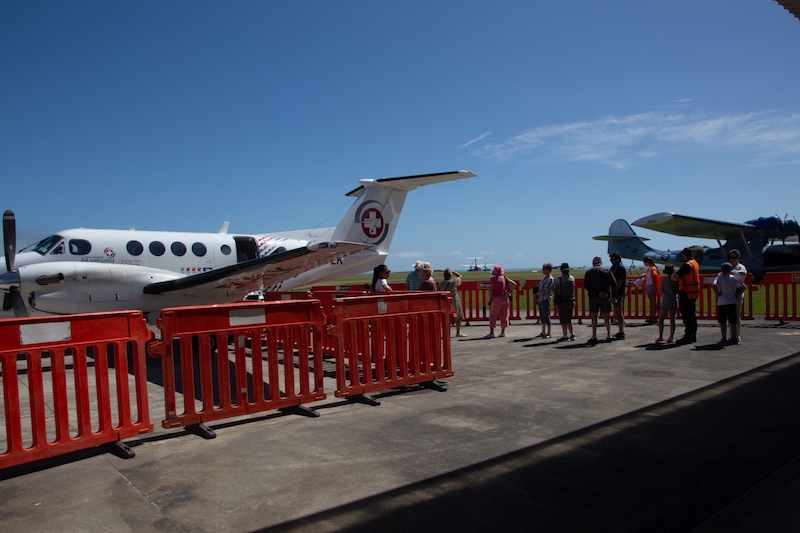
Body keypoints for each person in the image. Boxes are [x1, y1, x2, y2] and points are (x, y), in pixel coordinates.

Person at [583, 256, 617, 344]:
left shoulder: (589, 272)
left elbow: (586, 286)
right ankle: (608, 335)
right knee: (606, 316)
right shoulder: (607, 271)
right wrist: (613, 296)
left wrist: (597, 293)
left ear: (593, 263)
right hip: (605, 297)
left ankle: (594, 336)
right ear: (601, 262)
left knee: (594, 317)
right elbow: (614, 283)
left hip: (594, 297)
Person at [673, 247, 700, 344]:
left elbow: (676, 276)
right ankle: (693, 335)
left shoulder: (687, 265)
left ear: (684, 255)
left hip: (686, 292)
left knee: (687, 316)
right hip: (694, 292)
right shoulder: (695, 263)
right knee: (692, 315)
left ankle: (688, 335)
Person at [713, 262, 744, 344]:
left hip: (722, 301)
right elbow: (743, 287)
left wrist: (718, 294)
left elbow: (713, 285)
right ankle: (734, 337)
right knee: (733, 321)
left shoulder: (719, 278)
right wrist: (737, 295)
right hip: (732, 300)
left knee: (723, 321)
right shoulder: (733, 278)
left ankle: (724, 337)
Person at [485, 264, 516, 339]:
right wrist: (509, 290)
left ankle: (492, 332)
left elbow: (491, 290)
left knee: (493, 315)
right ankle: (502, 332)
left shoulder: (493, 279)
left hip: (496, 298)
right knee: (504, 315)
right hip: (505, 297)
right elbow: (514, 284)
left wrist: (490, 300)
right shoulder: (505, 278)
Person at [439, 268, 466, 337]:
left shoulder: (441, 284)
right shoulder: (453, 282)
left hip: (445, 301)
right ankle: (458, 332)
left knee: (447, 317)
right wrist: (454, 272)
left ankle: (448, 333)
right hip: (454, 300)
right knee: (458, 315)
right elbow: (460, 276)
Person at [553, 262, 576, 341]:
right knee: (569, 318)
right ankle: (572, 334)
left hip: (562, 301)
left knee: (563, 319)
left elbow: (553, 288)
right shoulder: (572, 278)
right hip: (571, 300)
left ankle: (565, 335)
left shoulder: (559, 279)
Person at [656, 264, 678, 343]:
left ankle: (661, 336)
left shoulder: (664, 280)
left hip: (665, 300)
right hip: (673, 300)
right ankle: (671, 337)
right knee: (672, 319)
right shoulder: (675, 281)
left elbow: (661, 290)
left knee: (661, 318)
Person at [634, 258, 660, 324]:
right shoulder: (650, 268)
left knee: (653, 303)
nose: (644, 264)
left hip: (651, 286)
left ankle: (653, 317)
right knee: (652, 302)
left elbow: (654, 278)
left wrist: (653, 288)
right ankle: (652, 316)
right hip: (649, 285)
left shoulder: (653, 269)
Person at [728, 249, 747, 332]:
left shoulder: (741, 267)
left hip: (738, 292)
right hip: (729, 292)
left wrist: (732, 272)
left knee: (737, 315)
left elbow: (742, 274)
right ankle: (732, 333)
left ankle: (737, 334)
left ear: (738, 258)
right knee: (730, 316)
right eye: (731, 257)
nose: (733, 259)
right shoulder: (728, 266)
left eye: (735, 257)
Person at [608, 252, 627, 340]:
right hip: (617, 292)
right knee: (617, 311)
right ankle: (621, 331)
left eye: (613, 259)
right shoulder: (615, 268)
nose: (611, 261)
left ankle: (621, 331)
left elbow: (620, 281)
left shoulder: (620, 268)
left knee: (619, 312)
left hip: (618, 293)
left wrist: (615, 292)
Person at [535, 263, 554, 339]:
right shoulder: (544, 278)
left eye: (544, 269)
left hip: (545, 298)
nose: (543, 270)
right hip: (540, 298)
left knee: (546, 315)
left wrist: (537, 293)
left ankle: (549, 332)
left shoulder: (550, 279)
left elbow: (545, 290)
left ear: (548, 270)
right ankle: (543, 332)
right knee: (542, 315)